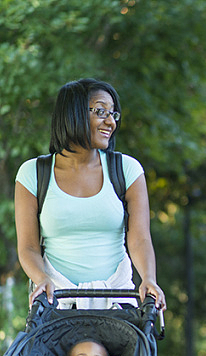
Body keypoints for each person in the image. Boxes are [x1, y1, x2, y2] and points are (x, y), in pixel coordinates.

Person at [14, 78, 165, 310]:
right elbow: (28, 247)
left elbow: (140, 238)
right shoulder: (32, 174)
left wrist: (148, 278)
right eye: (101, 111)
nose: (110, 122)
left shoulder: (127, 170)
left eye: (113, 114)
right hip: (58, 299)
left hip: (117, 298)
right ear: (72, 113)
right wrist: (42, 279)